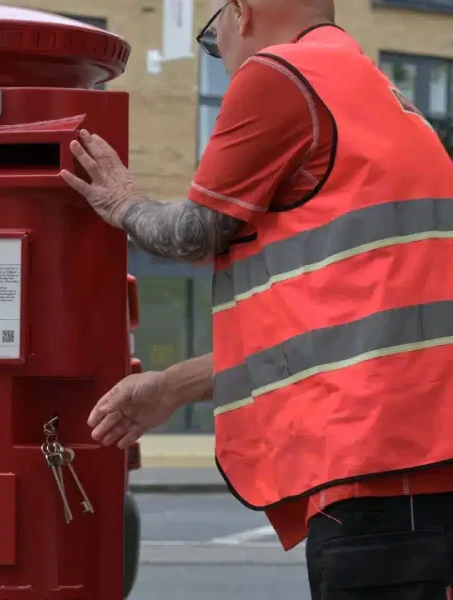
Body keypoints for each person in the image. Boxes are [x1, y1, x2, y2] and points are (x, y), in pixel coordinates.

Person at [60, 0, 453, 598]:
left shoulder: (281, 74)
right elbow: (334, 341)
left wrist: (122, 202)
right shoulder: (381, 98)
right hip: (422, 472)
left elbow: (194, 233)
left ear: (241, 13)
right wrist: (174, 387)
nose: (224, 64)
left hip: (374, 475)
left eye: (212, 46)